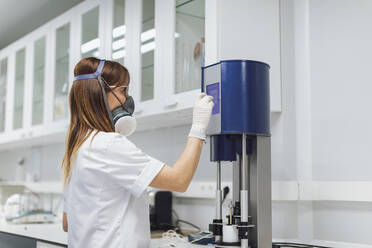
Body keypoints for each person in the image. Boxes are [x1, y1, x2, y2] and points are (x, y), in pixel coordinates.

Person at [61, 57, 214, 247]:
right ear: (99, 94)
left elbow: (67, 223)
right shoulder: (108, 145)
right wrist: (198, 126)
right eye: (122, 90)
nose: (126, 99)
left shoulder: (78, 148)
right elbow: (179, 180)